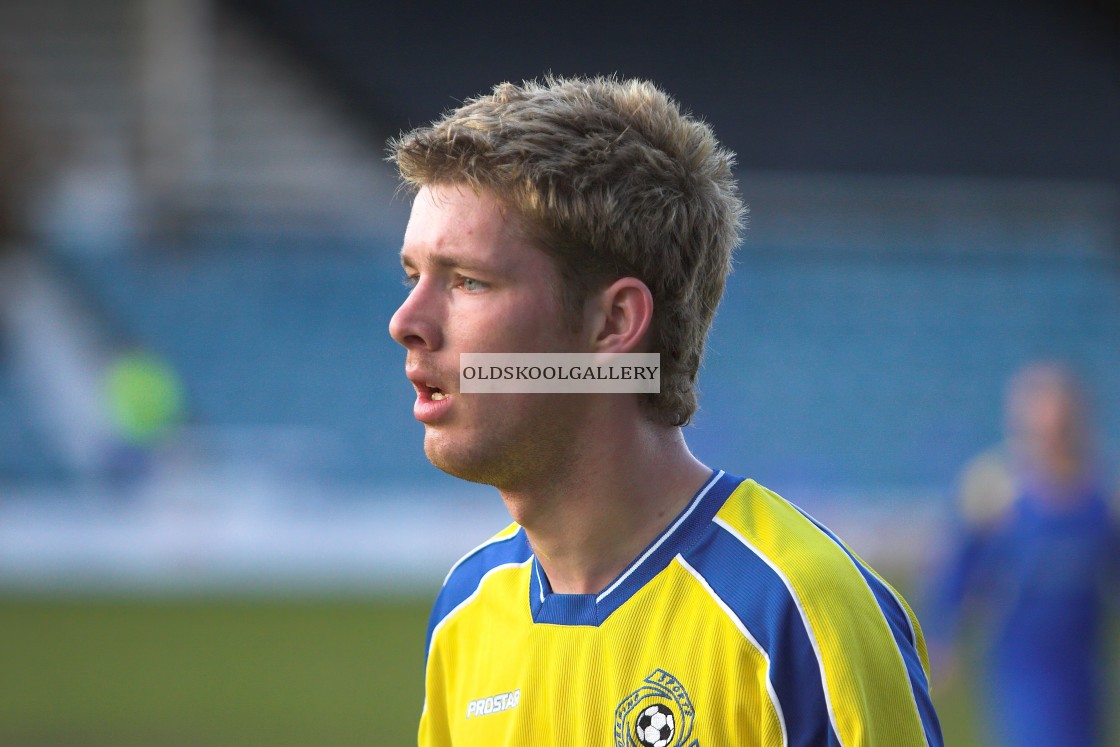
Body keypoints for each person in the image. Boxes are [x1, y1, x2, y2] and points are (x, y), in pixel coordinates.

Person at [388, 76, 942, 747]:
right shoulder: (466, 611)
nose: (406, 322)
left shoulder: (795, 610)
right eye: (413, 276)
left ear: (614, 322)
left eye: (468, 280)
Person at [927, 362, 1118, 747]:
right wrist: (942, 635)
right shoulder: (995, 491)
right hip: (1021, 660)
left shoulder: (1100, 495)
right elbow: (957, 571)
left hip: (1082, 660)